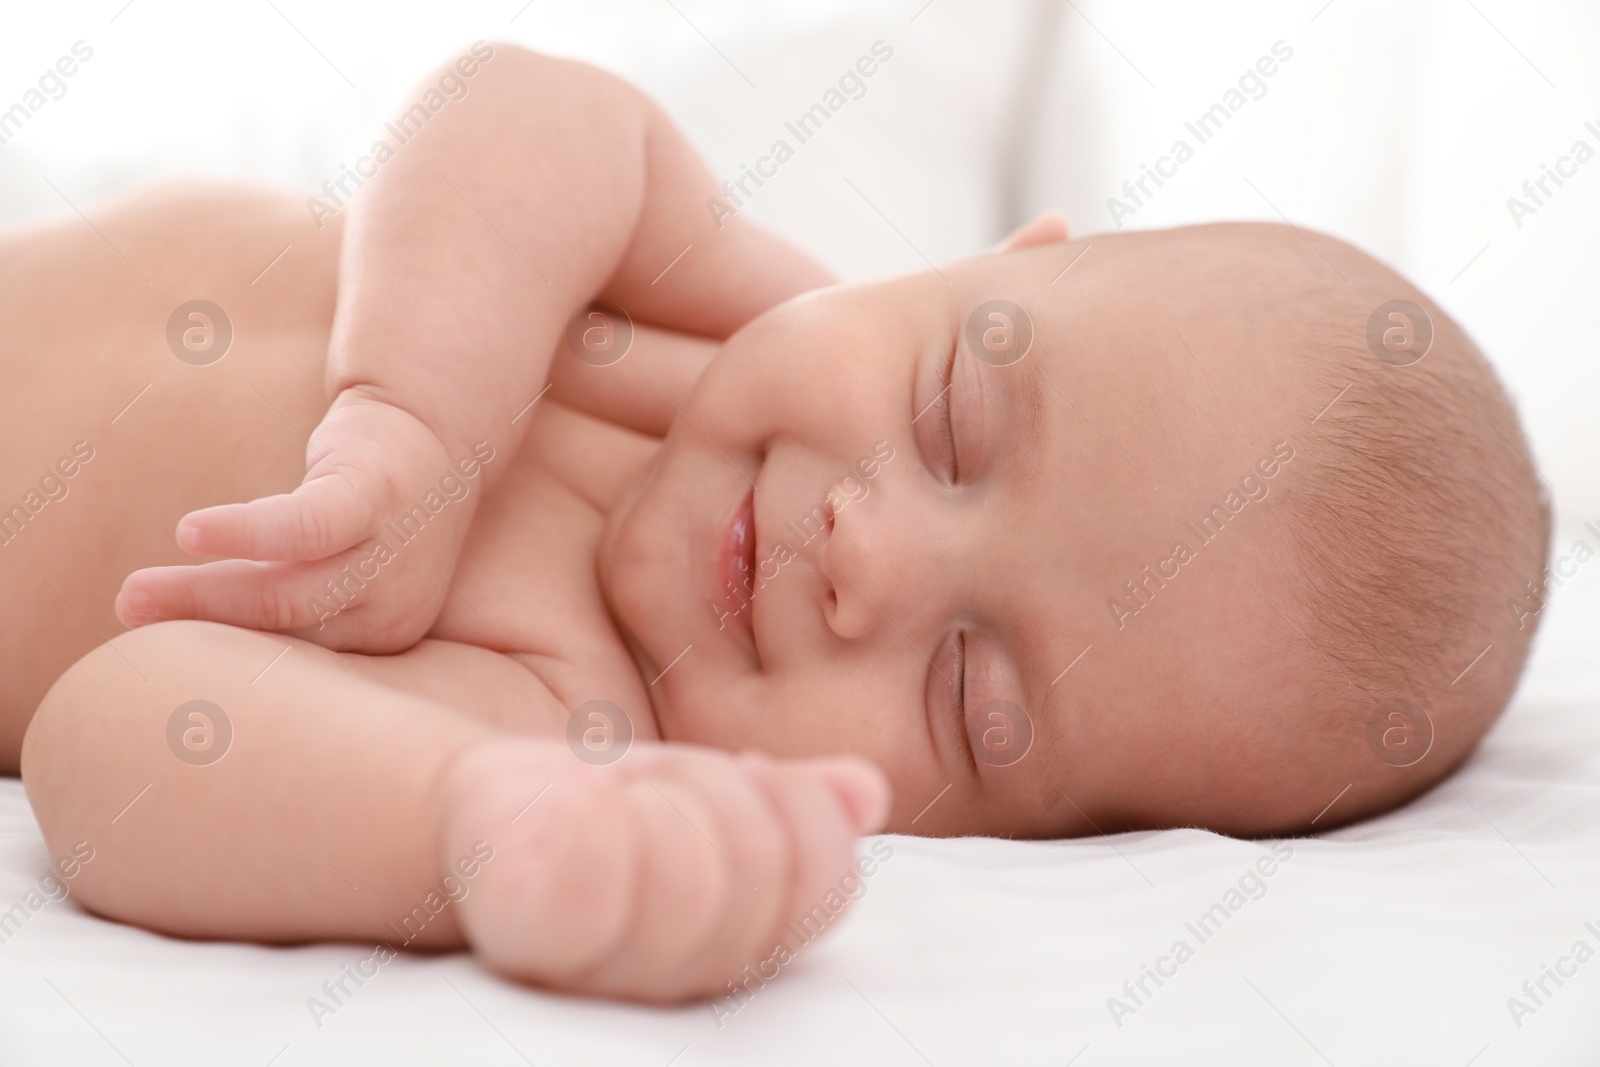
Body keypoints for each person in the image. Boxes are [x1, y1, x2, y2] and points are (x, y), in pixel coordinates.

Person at [17, 45, 1548, 1003]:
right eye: (956, 422)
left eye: (972, 691)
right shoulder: (725, 306)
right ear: (999, 261)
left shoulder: (575, 706)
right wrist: (412, 413)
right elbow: (521, 109)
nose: (871, 559)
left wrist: (461, 822)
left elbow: (120, 742)